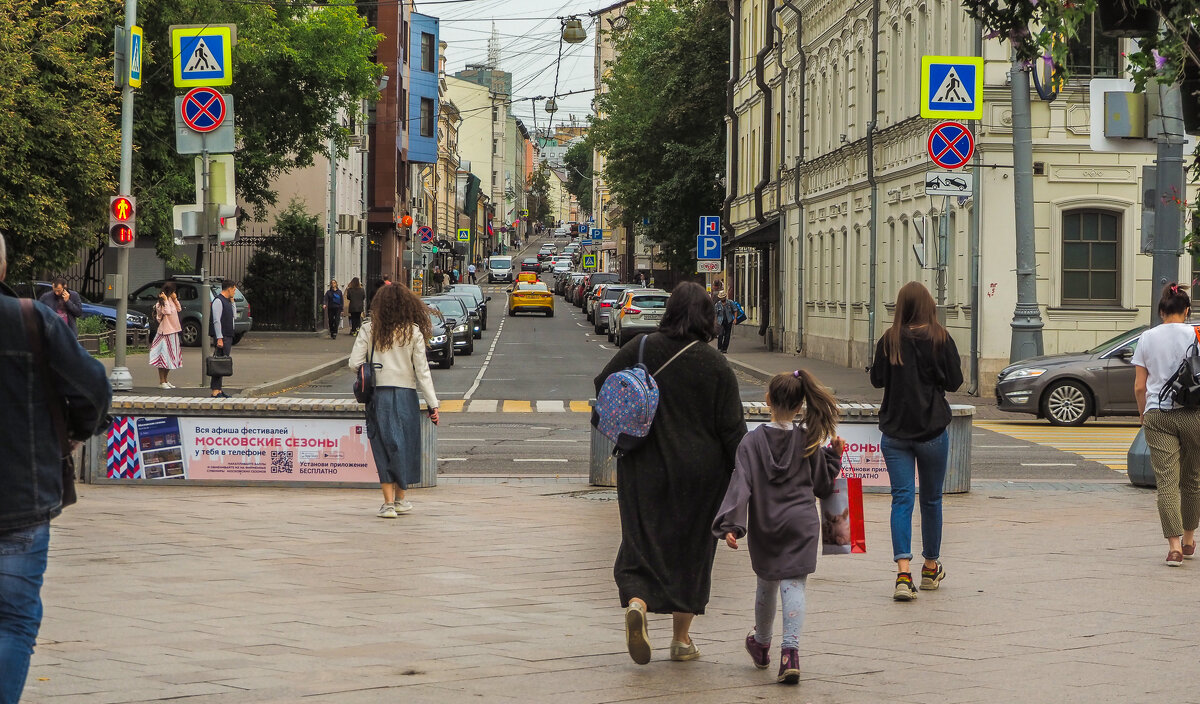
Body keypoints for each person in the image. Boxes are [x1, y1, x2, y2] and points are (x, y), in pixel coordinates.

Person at [594, 281, 746, 665]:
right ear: (708, 318)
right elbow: (733, 433)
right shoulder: (716, 366)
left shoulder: (641, 347)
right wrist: (744, 483)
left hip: (641, 465)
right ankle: (681, 639)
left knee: (640, 540)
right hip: (700, 476)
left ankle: (638, 604)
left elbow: (604, 387)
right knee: (692, 551)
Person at [0, 234, 112, 703]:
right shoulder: (31, 320)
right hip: (20, 501)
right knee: (14, 621)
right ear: (2, 268)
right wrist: (74, 433)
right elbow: (94, 388)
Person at [713, 370, 845, 684]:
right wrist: (834, 457)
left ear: (768, 400)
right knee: (794, 585)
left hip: (765, 523)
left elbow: (741, 484)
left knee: (766, 583)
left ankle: (760, 643)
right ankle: (790, 653)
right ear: (801, 405)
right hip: (802, 522)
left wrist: (731, 524)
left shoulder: (751, 442)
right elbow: (822, 485)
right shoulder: (809, 439)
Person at [868, 281, 963, 601]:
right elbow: (955, 380)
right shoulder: (939, 337)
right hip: (932, 431)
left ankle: (903, 573)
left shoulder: (889, 339)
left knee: (902, 500)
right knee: (931, 500)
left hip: (895, 433)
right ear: (928, 306)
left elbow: (876, 379)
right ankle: (930, 568)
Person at [349, 284, 440, 518]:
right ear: (407, 305)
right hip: (406, 395)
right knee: (404, 445)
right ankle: (401, 499)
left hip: (379, 395)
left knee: (382, 446)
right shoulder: (413, 332)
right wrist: (433, 404)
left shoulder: (369, 329)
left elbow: (353, 363)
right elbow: (423, 372)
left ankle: (388, 504)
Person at [1132, 283, 1200, 566]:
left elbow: (1139, 386)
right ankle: (1188, 540)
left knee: (1167, 483)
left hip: (1158, 415)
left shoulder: (1146, 338)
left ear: (1161, 312)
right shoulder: (1197, 333)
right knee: (1193, 480)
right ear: (1187, 310)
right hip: (1195, 413)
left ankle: (1173, 549)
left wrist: (1142, 414)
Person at [149, 282, 183, 389]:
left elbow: (179, 309)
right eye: (173, 291)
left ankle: (166, 380)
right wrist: (165, 299)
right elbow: (167, 312)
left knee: (171, 357)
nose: (174, 293)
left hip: (174, 331)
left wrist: (175, 299)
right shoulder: (160, 303)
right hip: (165, 332)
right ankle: (161, 381)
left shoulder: (171, 301)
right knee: (163, 357)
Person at [209, 279, 237, 399]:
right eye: (234, 290)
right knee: (218, 363)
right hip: (222, 336)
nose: (234, 292)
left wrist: (233, 302)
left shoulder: (227, 301)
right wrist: (219, 337)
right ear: (229, 288)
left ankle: (219, 389)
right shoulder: (218, 301)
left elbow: (234, 316)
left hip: (228, 335)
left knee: (222, 363)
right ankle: (215, 390)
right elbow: (216, 320)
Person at [714, 290, 737, 354]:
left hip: (728, 320)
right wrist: (715, 322)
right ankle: (719, 348)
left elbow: (735, 310)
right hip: (720, 321)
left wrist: (735, 319)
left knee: (727, 335)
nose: (722, 298)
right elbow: (715, 313)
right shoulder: (717, 304)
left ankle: (724, 349)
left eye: (723, 297)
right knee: (720, 334)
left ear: (725, 297)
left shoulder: (730, 302)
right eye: (721, 297)